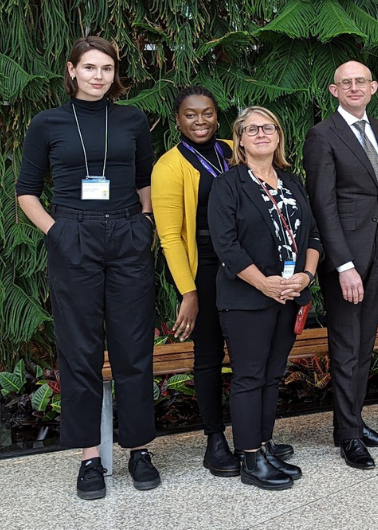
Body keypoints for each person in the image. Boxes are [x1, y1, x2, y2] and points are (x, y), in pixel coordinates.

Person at [16, 36, 159, 500]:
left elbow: (143, 180)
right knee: (79, 352)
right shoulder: (48, 123)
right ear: (72, 70)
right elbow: (26, 191)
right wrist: (57, 233)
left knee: (133, 346)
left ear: (116, 74)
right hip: (73, 234)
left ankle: (139, 449)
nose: (99, 76)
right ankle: (89, 459)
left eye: (107, 69)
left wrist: (147, 226)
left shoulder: (133, 119)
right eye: (90, 68)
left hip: (126, 235)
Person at [208, 106, 322, 490]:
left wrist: (305, 275)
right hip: (247, 298)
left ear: (278, 135)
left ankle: (264, 443)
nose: (261, 134)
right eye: (251, 129)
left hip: (290, 295)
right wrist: (265, 284)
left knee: (273, 375)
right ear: (239, 139)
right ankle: (250, 459)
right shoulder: (228, 185)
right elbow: (227, 246)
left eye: (268, 127)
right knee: (249, 376)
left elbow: (314, 237)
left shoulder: (292, 182)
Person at [303, 61, 378, 470]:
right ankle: (347, 436)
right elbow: (322, 204)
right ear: (333, 89)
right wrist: (342, 264)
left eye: (362, 81)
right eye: (347, 82)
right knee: (345, 348)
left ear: (373, 87)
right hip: (345, 260)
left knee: (364, 347)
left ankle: (355, 422)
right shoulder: (321, 135)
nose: (355, 87)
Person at [152, 86, 244, 477]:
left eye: (207, 113)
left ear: (217, 116)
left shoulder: (234, 151)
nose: (200, 121)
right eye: (191, 115)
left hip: (244, 265)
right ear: (178, 120)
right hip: (204, 269)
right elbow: (170, 236)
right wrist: (187, 291)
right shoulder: (169, 167)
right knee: (208, 358)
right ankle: (214, 440)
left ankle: (252, 435)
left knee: (247, 354)